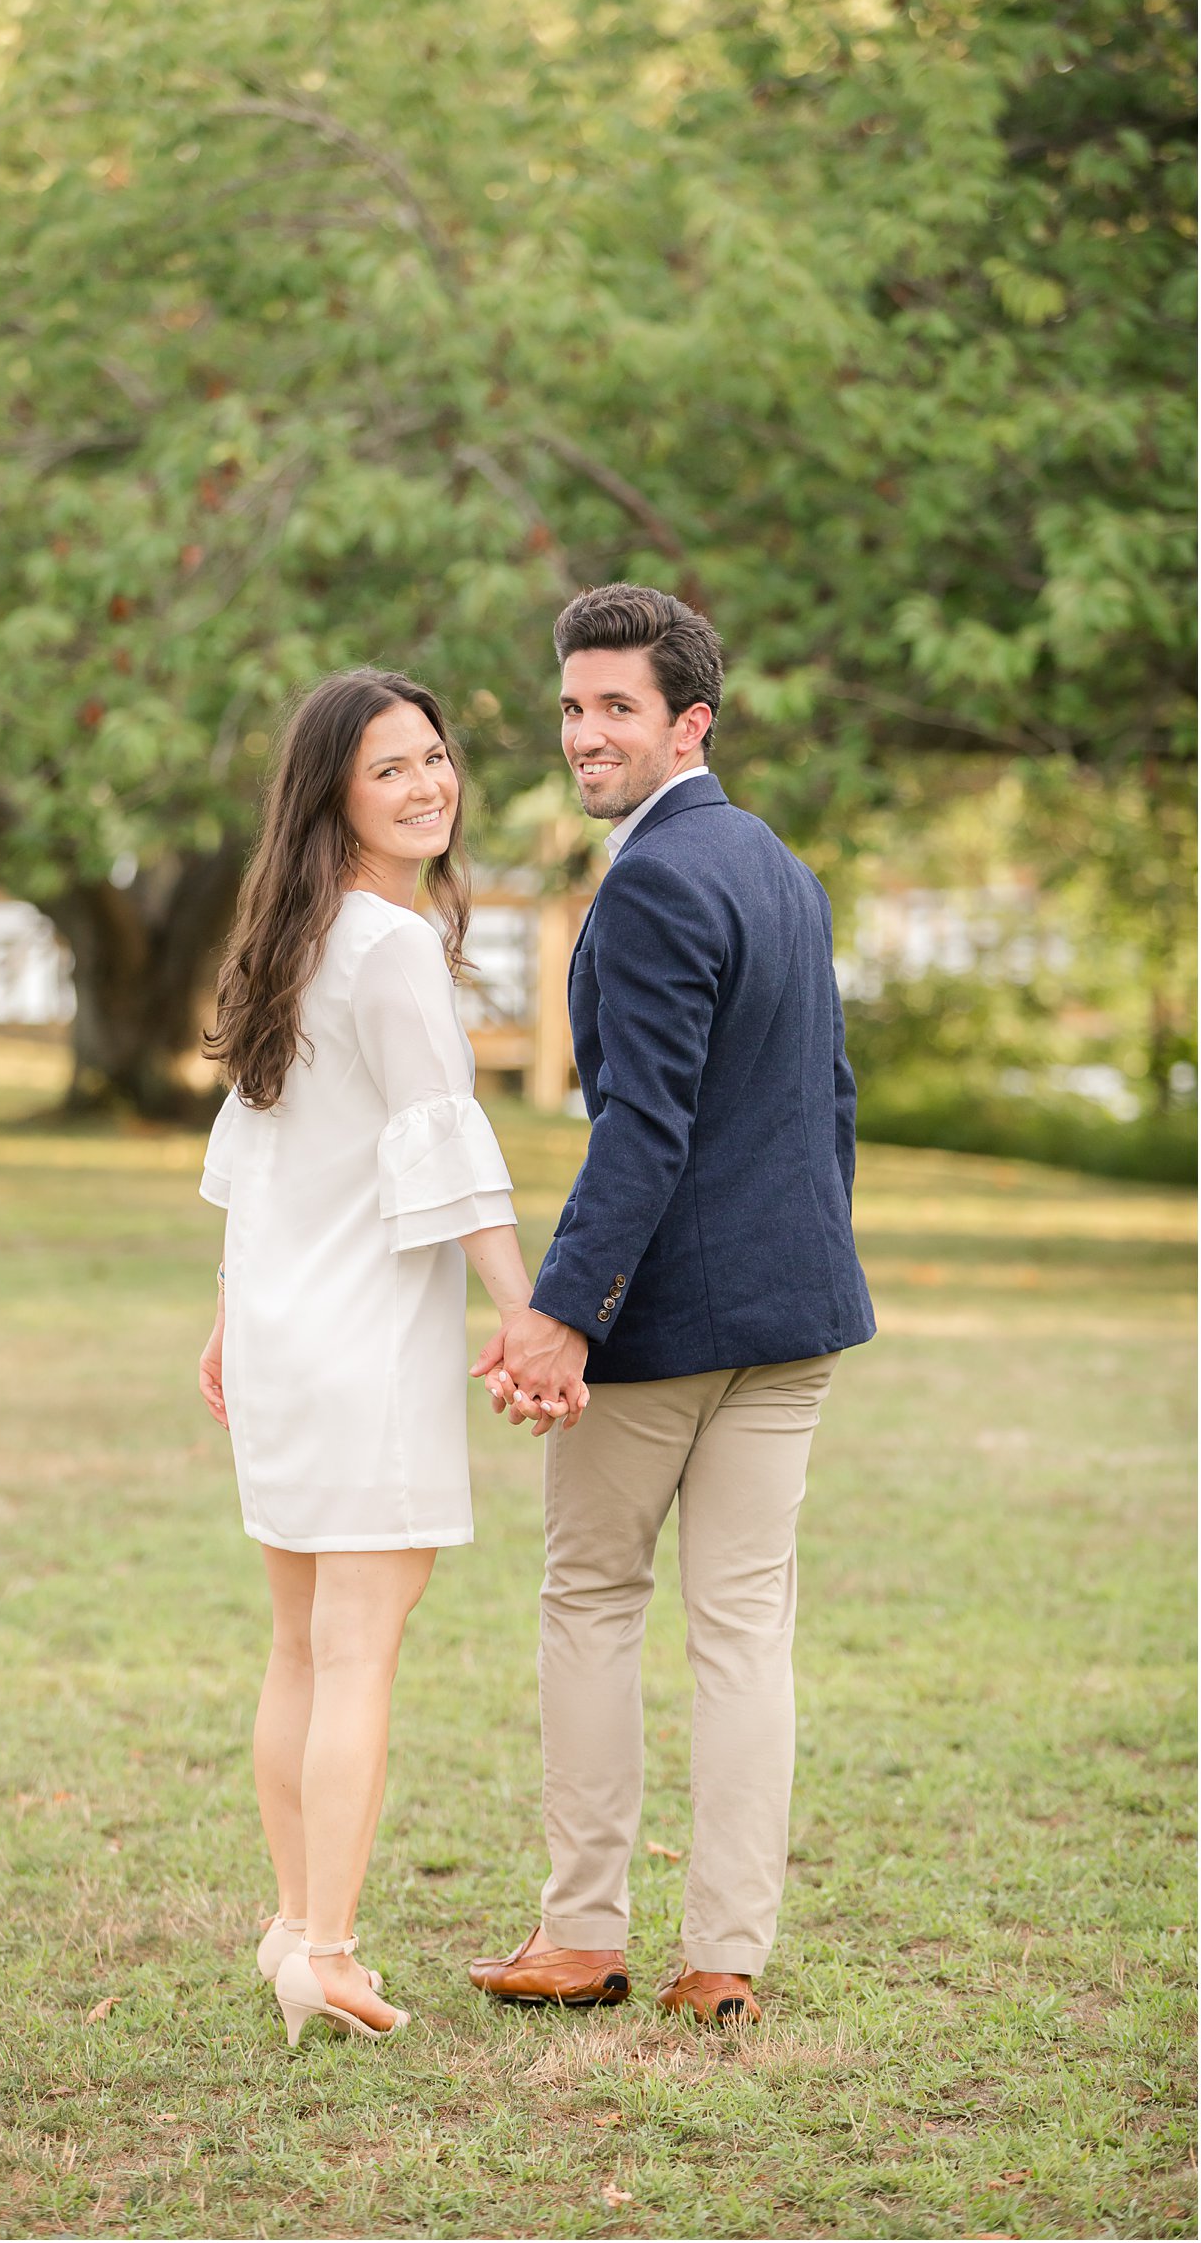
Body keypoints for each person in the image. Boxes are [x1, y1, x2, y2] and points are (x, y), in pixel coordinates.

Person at [468, 584, 875, 2024]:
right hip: (796, 1315)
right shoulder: (780, 866)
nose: (585, 734)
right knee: (743, 1631)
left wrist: (563, 1313)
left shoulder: (649, 880)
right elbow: (827, 1101)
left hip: (664, 1329)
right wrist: (808, 1259)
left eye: (616, 708)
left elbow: (642, 1131)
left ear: (688, 721)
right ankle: (725, 1961)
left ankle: (583, 1935)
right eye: (572, 706)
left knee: (590, 1598)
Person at [196, 667, 584, 2050]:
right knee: (352, 1653)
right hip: (355, 1344)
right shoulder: (391, 944)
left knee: (301, 1643)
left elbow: (259, 1145)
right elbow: (442, 1145)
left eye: (436, 757)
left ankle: (294, 1921)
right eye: (391, 769)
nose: (429, 784)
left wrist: (234, 1316)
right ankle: (329, 1946)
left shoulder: (288, 937)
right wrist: (527, 1309)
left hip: (291, 1333)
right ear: (333, 796)